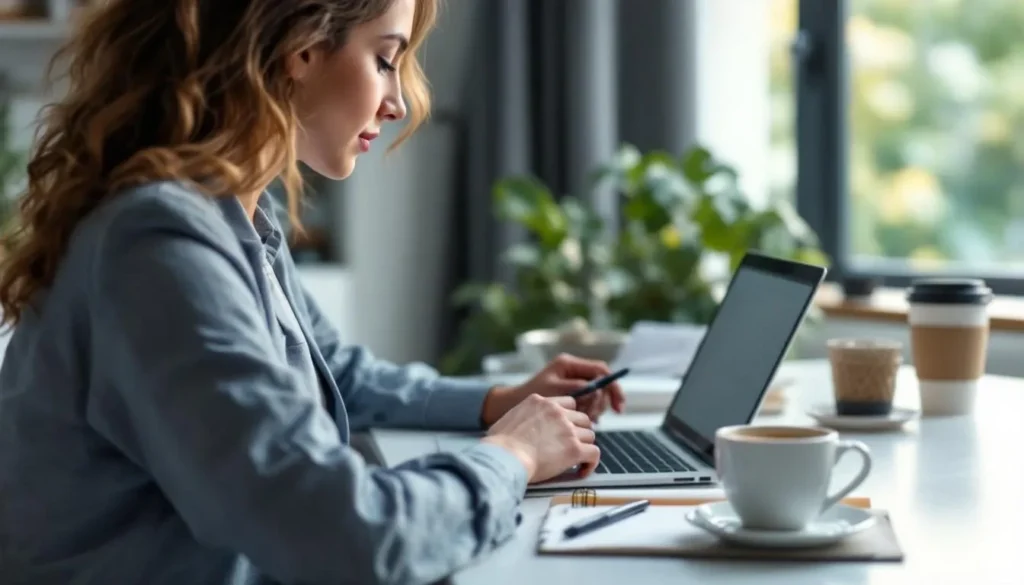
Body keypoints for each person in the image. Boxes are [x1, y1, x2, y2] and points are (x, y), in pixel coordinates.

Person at [0, 1, 626, 584]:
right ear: (301, 47)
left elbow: (337, 374)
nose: (397, 104)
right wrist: (513, 454)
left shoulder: (227, 212)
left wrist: (498, 401)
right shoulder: (160, 246)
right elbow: (349, 535)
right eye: (384, 59)